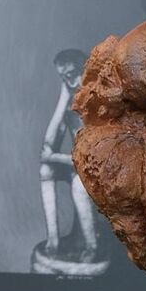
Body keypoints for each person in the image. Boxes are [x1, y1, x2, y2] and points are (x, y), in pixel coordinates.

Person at [32, 48, 105, 277]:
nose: (68, 81)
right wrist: (63, 97)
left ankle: (91, 246)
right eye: (63, 78)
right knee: (46, 169)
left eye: (71, 74)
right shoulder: (70, 99)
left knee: (78, 185)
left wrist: (55, 157)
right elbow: (49, 142)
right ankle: (53, 240)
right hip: (79, 165)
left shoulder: (98, 100)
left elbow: (92, 158)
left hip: (100, 169)